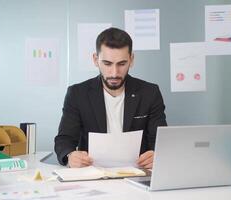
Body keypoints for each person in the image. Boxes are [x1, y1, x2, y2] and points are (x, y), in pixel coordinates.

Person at [54, 27, 167, 169]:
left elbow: (161, 141)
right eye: (107, 64)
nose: (114, 73)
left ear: (131, 60)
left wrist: (157, 154)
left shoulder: (150, 92)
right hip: (92, 174)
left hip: (138, 174)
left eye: (122, 64)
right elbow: (64, 140)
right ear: (96, 59)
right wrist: (69, 156)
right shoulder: (77, 94)